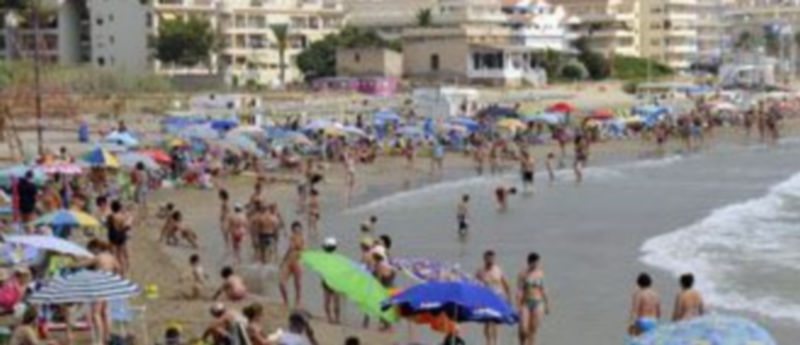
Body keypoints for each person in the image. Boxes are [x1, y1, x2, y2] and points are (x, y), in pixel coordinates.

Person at [476, 250, 511, 345]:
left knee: (495, 321)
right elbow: (475, 286)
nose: (491, 260)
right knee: (487, 322)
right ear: (484, 259)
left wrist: (508, 299)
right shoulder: (480, 271)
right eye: (489, 258)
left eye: (492, 258)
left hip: (497, 297)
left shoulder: (498, 270)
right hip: (485, 298)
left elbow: (506, 285)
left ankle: (496, 342)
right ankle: (488, 342)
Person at [517, 253, 550, 345]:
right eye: (534, 262)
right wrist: (518, 305)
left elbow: (543, 289)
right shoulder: (522, 274)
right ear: (529, 262)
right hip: (525, 303)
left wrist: (547, 304)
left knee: (533, 329)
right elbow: (519, 291)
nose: (536, 264)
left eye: (537, 262)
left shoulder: (540, 273)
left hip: (538, 302)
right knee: (524, 329)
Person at [280, 221, 305, 308]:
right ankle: (285, 301)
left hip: (297, 263)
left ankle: (298, 302)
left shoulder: (302, 239)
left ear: (301, 229)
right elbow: (289, 250)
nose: (296, 231)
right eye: (295, 229)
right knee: (282, 283)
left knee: (297, 284)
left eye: (298, 229)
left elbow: (303, 252)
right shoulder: (291, 238)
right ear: (292, 230)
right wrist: (283, 261)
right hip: (288, 262)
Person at [107, 200, 132, 275]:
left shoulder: (110, 217)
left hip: (113, 236)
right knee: (121, 256)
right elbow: (127, 227)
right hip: (121, 236)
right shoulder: (123, 217)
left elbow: (108, 226)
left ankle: (115, 272)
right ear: (119, 208)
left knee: (114, 255)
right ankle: (123, 273)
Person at [321, 238, 341, 324]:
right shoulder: (337, 257)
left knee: (327, 301)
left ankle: (330, 318)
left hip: (327, 281)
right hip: (335, 281)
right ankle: (336, 319)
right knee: (336, 301)